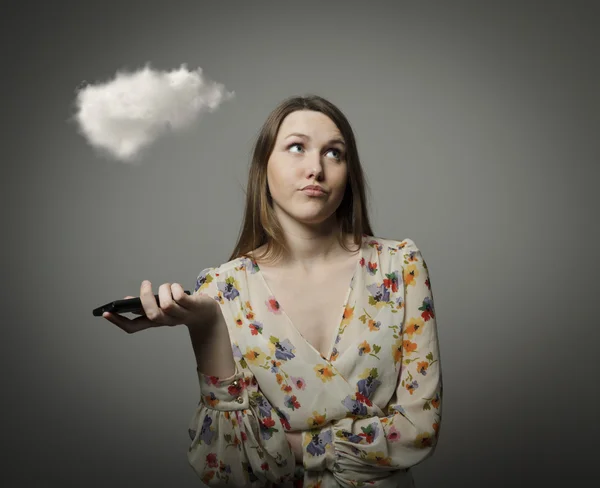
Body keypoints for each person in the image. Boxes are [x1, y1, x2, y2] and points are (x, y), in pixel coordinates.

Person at [103, 95, 443, 487]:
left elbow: (419, 429)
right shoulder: (224, 289)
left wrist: (292, 446)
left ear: (349, 173)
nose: (315, 168)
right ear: (264, 166)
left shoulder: (400, 266)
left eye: (334, 153)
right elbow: (226, 463)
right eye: (296, 147)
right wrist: (207, 326)